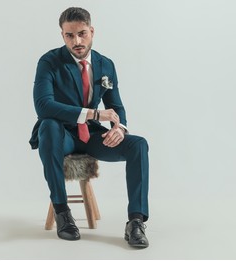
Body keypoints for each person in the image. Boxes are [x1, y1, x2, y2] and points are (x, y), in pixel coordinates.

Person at [29, 7, 149, 248]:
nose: (77, 41)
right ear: (62, 35)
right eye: (69, 35)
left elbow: (116, 105)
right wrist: (93, 113)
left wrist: (119, 128)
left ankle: (136, 222)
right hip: (61, 134)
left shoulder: (106, 64)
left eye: (82, 34)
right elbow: (43, 106)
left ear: (92, 31)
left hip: (91, 136)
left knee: (139, 145)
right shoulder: (49, 61)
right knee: (48, 125)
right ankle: (63, 213)